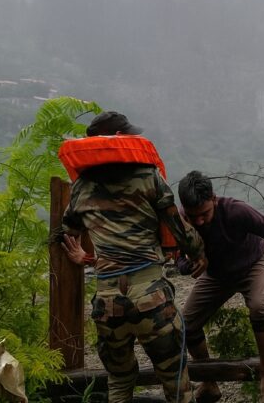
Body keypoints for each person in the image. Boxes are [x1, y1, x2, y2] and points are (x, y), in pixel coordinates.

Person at [61, 111, 207, 403]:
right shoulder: (147, 176)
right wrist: (199, 252)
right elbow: (177, 228)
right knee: (176, 382)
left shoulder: (82, 186)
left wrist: (83, 256)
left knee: (119, 381)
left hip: (107, 301)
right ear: (120, 140)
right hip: (150, 297)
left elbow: (68, 229)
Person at [177, 170, 264, 403]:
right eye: (192, 216)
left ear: (214, 199)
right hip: (217, 275)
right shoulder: (180, 221)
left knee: (259, 307)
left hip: (251, 265)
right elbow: (178, 260)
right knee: (186, 324)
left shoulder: (236, 211)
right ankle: (209, 381)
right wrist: (191, 264)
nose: (199, 221)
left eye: (204, 214)